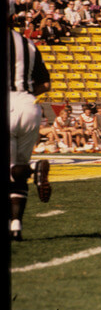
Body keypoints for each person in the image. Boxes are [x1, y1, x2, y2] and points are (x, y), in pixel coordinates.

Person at [9, 28, 52, 241]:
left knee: (12, 169)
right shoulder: (28, 44)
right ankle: (15, 225)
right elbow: (46, 84)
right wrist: (24, 96)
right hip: (29, 105)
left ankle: (34, 168)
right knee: (18, 168)